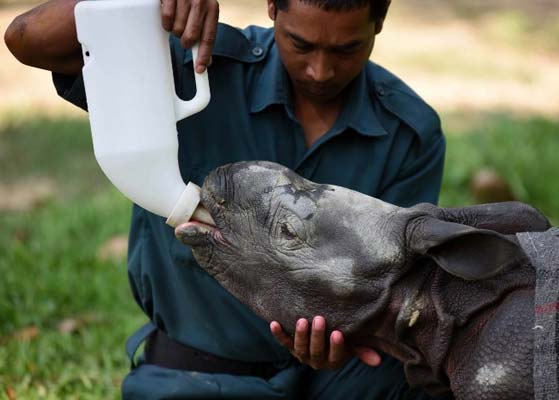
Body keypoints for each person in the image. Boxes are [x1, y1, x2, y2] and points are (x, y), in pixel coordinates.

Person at [5, 0, 448, 398]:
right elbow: (27, 39)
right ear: (273, 6)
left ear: (381, 19)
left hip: (341, 377)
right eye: (301, 44)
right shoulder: (189, 68)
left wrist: (346, 338)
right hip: (199, 375)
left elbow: (392, 284)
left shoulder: (408, 132)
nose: (320, 70)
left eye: (346, 50)